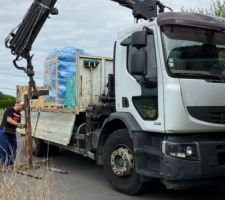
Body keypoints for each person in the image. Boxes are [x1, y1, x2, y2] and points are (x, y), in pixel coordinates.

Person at [0, 101, 26, 166]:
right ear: (17, 104)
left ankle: (10, 164)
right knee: (4, 147)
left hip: (12, 132)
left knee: (13, 148)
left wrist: (23, 126)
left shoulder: (19, 115)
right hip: (4, 131)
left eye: (23, 106)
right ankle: (1, 164)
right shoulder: (9, 109)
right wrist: (19, 124)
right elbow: (9, 119)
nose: (22, 107)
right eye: (21, 105)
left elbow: (17, 125)